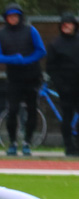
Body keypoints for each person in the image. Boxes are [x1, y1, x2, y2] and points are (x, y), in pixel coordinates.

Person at [0, 3, 45, 157]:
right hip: (14, 78)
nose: (13, 18)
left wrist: (27, 60)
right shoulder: (0, 34)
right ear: (6, 18)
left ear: (20, 17)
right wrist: (14, 59)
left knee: (31, 110)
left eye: (15, 15)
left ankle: (27, 142)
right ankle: (13, 143)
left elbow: (41, 50)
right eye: (10, 16)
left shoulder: (31, 30)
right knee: (12, 110)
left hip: (32, 77)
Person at [46, 12, 79, 157]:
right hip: (65, 87)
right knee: (67, 116)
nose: (67, 27)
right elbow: (51, 68)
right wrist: (60, 86)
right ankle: (69, 146)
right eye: (64, 24)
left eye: (69, 24)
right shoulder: (55, 44)